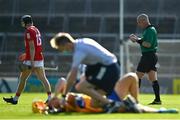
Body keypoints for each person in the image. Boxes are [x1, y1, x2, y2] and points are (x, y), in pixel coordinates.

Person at [50, 32, 121, 111]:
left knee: (80, 86)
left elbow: (72, 77)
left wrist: (64, 96)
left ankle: (111, 104)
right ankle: (122, 105)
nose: (64, 51)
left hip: (109, 68)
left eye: (62, 49)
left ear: (66, 44)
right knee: (94, 104)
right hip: (105, 67)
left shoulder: (79, 51)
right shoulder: (82, 41)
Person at [3, 15, 52, 104]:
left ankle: (15, 99)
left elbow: (32, 47)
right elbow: (35, 47)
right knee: (43, 78)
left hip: (32, 59)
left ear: (25, 22)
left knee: (23, 79)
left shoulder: (29, 31)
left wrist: (32, 62)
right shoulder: (36, 29)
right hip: (39, 57)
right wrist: (26, 54)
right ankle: (50, 97)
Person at [129, 13, 161, 105]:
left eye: (139, 22)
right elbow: (144, 42)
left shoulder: (149, 30)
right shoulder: (150, 30)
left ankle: (134, 100)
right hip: (152, 56)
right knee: (153, 78)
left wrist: (137, 40)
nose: (139, 24)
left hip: (148, 56)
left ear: (144, 21)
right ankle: (157, 100)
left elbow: (148, 44)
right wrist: (137, 39)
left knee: (137, 77)